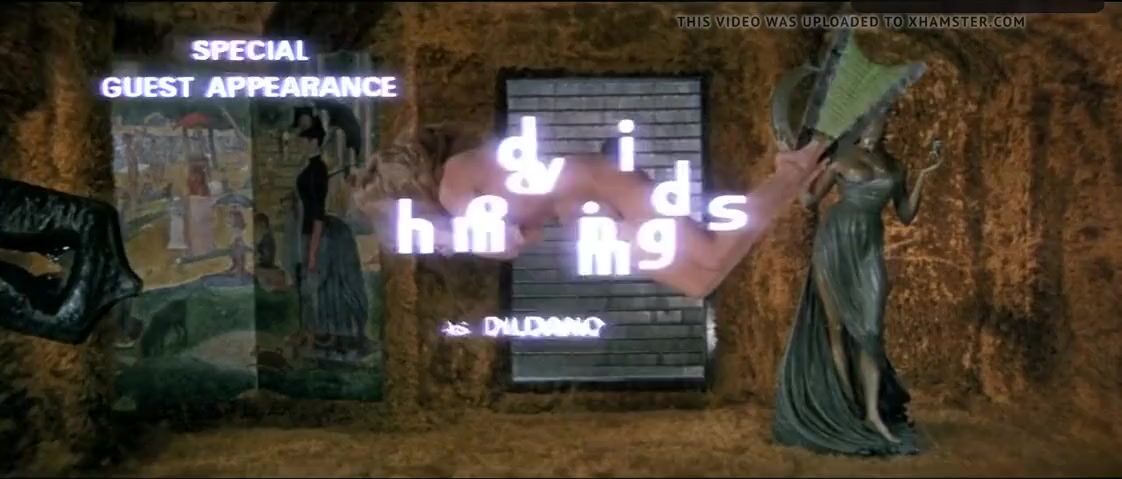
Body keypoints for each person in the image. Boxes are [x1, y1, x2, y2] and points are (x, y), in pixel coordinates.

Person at [352, 123, 829, 300]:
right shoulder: (456, 190)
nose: (430, 247)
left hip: (600, 181)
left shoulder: (454, 186)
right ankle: (795, 180)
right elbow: (529, 234)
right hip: (584, 210)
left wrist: (453, 237)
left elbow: (511, 244)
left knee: (709, 253)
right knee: (698, 282)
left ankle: (794, 169)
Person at [772, 113, 943, 456]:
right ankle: (847, 408)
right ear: (860, 124)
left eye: (881, 121)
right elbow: (808, 202)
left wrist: (926, 174)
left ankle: (873, 414)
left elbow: (906, 214)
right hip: (834, 242)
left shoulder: (895, 165)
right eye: (870, 121)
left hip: (867, 248)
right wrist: (800, 173)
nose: (875, 127)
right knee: (836, 329)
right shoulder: (840, 159)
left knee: (871, 331)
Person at [289, 109, 371, 359]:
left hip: (320, 233)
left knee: (323, 284)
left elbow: (317, 213)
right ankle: (321, 334)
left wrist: (313, 251)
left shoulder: (317, 170)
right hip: (310, 230)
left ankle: (331, 335)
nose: (300, 144)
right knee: (317, 286)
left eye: (304, 140)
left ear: (314, 141)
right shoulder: (312, 167)